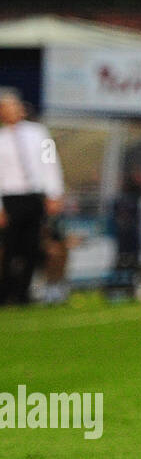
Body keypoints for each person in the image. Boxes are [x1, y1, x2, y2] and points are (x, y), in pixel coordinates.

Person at [0, 90, 64, 306]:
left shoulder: (38, 133)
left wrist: (54, 192)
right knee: (9, 247)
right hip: (10, 197)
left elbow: (50, 162)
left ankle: (24, 293)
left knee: (32, 245)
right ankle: (6, 291)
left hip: (34, 195)